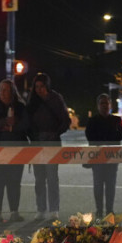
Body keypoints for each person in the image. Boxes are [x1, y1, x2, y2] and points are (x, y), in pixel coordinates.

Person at [0, 78, 29, 223]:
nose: (4, 92)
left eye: (7, 90)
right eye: (2, 90)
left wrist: (11, 127)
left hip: (16, 150)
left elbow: (26, 124)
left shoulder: (20, 107)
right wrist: (5, 122)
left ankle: (14, 212)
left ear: (13, 92)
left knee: (14, 182)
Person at [27, 72, 71, 220]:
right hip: (36, 142)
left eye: (42, 86)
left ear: (47, 86)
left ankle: (54, 209)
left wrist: (55, 133)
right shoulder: (32, 101)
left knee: (52, 177)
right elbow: (27, 121)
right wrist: (32, 136)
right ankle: (40, 209)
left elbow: (65, 120)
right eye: (36, 87)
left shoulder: (56, 99)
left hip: (52, 141)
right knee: (39, 178)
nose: (39, 90)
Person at [84, 93, 122, 218]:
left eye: (106, 103)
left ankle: (109, 210)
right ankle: (99, 210)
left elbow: (120, 135)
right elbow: (89, 137)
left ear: (110, 105)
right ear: (98, 106)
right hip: (97, 159)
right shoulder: (92, 121)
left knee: (110, 186)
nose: (104, 105)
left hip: (112, 159)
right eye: (102, 103)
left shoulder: (117, 120)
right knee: (98, 185)